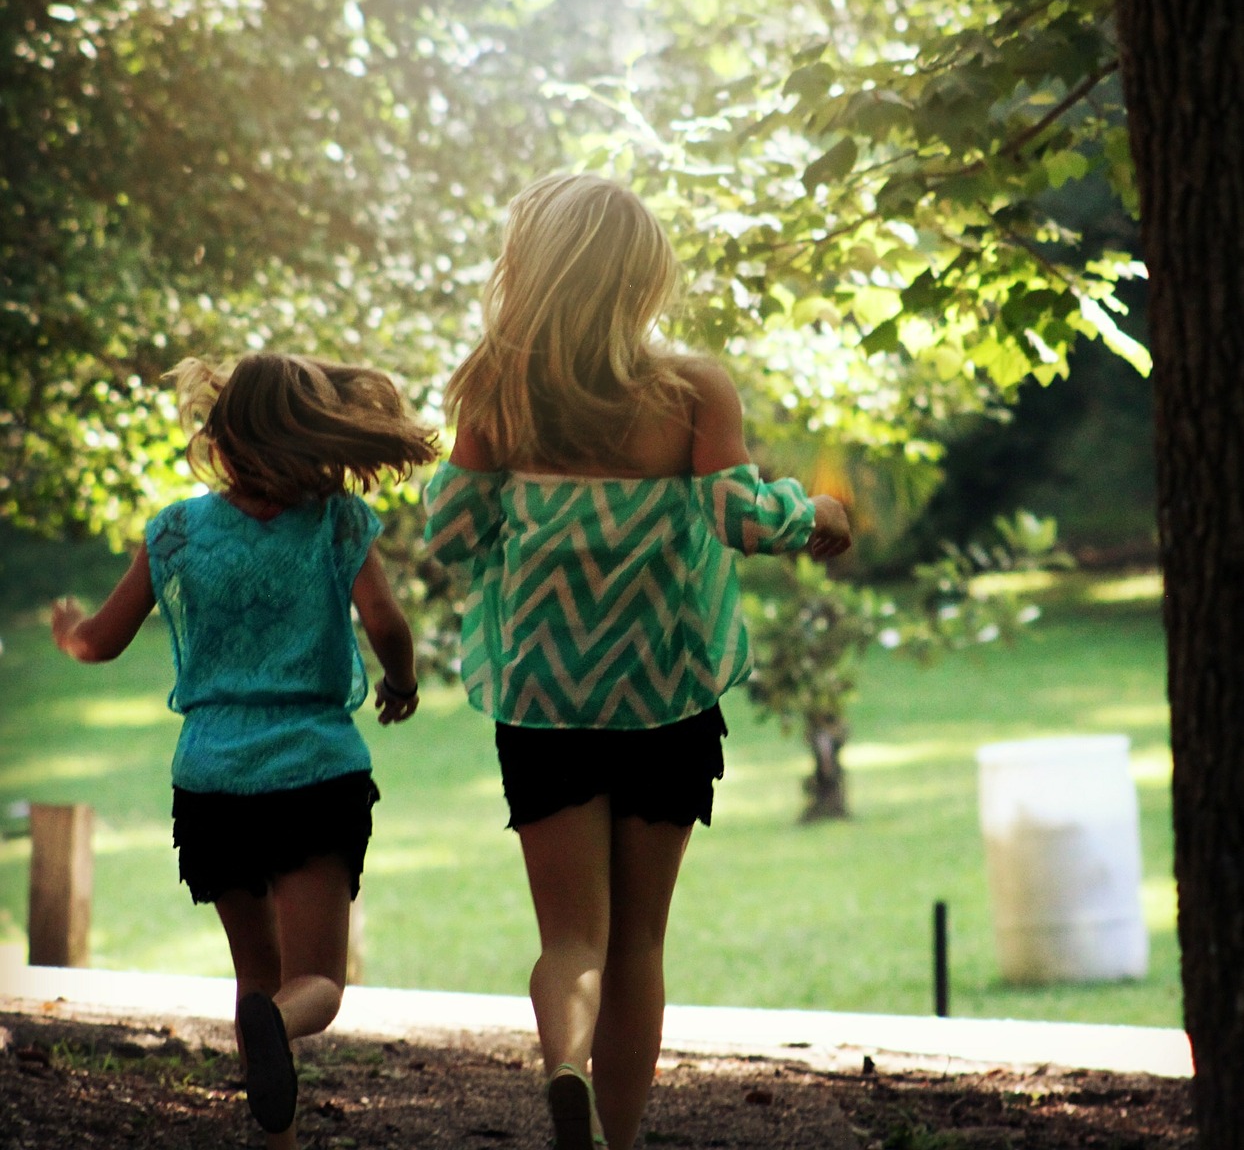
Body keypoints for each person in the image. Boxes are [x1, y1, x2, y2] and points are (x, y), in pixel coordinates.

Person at [422, 172, 852, 1150]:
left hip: (541, 699)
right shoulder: (689, 387)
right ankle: (609, 1137)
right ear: (642, 274)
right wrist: (817, 512)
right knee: (641, 940)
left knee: (571, 938)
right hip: (664, 695)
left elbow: (449, 529)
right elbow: (740, 515)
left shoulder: (497, 383)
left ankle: (562, 1066)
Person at [51, 352, 439, 1150]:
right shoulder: (337, 522)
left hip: (211, 782)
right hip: (314, 773)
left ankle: (276, 1141)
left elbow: (100, 642)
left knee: (253, 974)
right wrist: (399, 684)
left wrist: (68, 634)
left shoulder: (177, 531)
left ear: (223, 437)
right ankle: (275, 1029)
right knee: (315, 985)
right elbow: (388, 623)